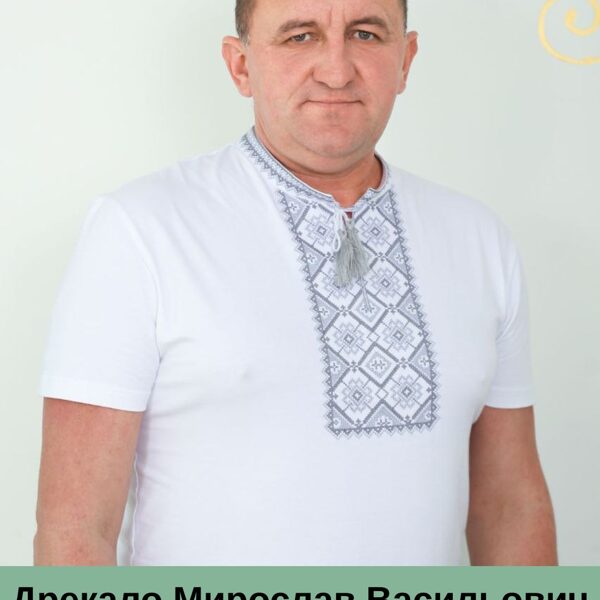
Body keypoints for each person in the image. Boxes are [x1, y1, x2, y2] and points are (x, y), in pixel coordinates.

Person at [34, 0, 558, 566]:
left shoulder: (479, 240)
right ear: (240, 65)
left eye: (365, 34)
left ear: (405, 59)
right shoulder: (139, 231)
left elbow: (510, 506)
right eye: (299, 37)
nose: (336, 70)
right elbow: (75, 528)